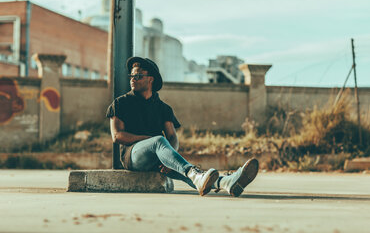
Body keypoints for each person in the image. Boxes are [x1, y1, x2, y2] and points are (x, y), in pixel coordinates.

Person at [106, 56, 259, 197]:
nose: (133, 79)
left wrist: (169, 159)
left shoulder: (163, 108)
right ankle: (195, 173)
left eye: (138, 76)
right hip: (132, 157)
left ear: (150, 79)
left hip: (159, 156)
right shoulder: (121, 103)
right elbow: (117, 136)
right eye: (131, 76)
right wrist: (151, 140)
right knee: (160, 142)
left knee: (182, 170)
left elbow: (172, 137)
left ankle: (226, 182)